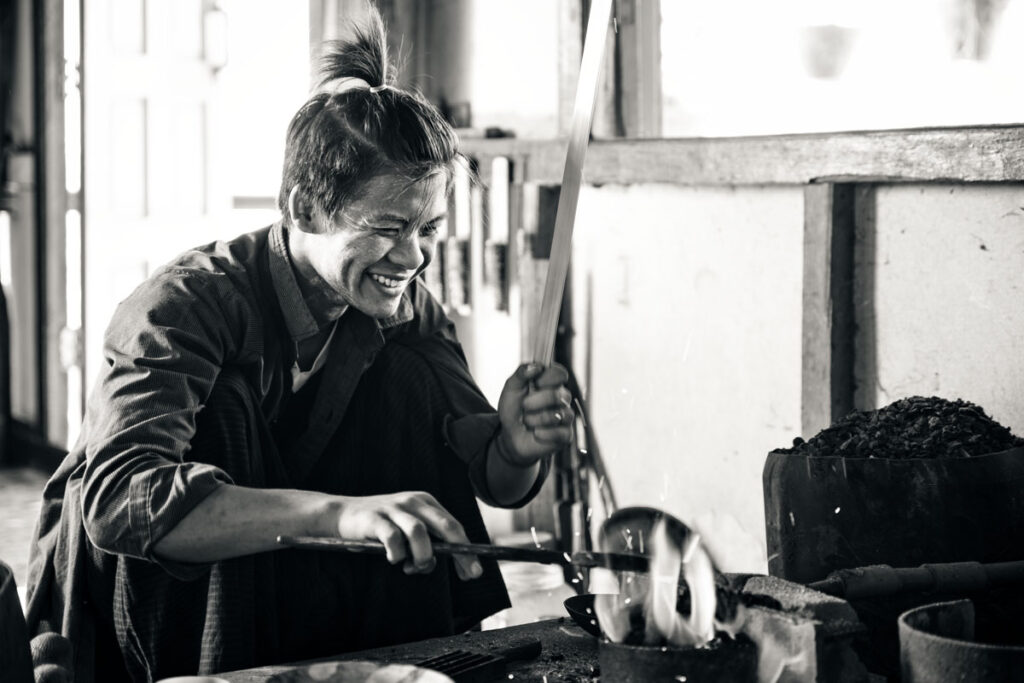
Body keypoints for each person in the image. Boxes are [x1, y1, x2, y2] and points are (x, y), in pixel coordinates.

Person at [25, 10, 573, 682]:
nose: (415, 257)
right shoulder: (182, 308)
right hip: (139, 609)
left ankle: (413, 667)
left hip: (289, 581)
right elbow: (121, 502)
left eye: (427, 228)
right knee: (225, 411)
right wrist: (341, 515)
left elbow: (493, 479)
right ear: (303, 207)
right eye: (388, 229)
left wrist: (515, 445)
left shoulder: (405, 311)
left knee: (404, 378)